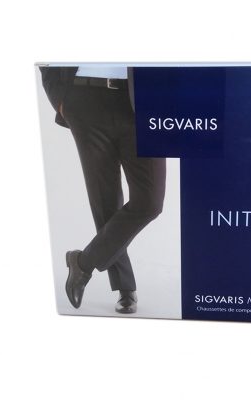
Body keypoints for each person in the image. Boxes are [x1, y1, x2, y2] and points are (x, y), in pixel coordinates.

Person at [39, 64, 166, 313]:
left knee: (150, 202)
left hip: (145, 98)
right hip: (84, 98)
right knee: (104, 200)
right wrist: (60, 99)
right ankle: (125, 287)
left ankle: (82, 263)